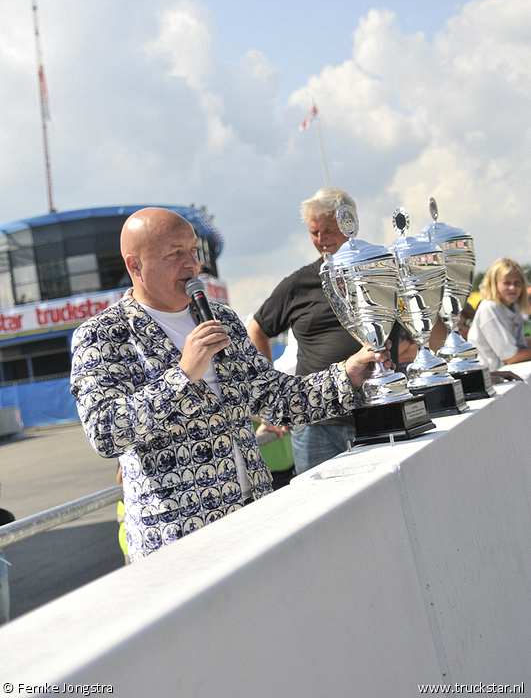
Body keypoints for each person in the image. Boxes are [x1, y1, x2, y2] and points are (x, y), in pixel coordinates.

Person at [70, 207, 393, 562]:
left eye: (193, 252)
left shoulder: (220, 317)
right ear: (135, 265)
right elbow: (105, 433)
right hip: (180, 541)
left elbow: (274, 398)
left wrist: (348, 374)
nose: (192, 264)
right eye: (175, 254)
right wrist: (183, 373)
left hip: (255, 522)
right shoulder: (103, 336)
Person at [248, 186, 400, 475]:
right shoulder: (299, 283)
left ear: (349, 223)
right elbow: (257, 331)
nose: (321, 240)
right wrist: (270, 396)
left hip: (377, 412)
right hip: (315, 424)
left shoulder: (378, 271)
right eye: (314, 233)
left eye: (329, 230)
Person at [468, 257, 531, 373]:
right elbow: (511, 357)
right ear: (494, 284)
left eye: (517, 282)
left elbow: (521, 344)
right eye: (507, 283)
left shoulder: (513, 307)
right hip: (491, 378)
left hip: (505, 374)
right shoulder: (489, 308)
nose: (512, 287)